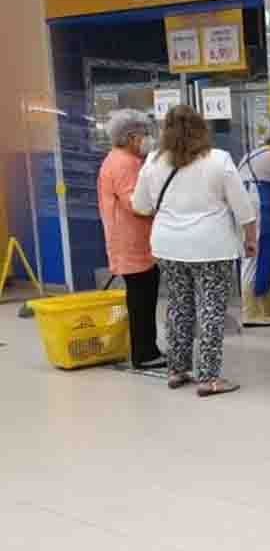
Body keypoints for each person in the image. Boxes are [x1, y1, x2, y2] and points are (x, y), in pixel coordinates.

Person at [133, 104, 256, 397]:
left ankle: (177, 369)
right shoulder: (218, 159)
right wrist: (251, 238)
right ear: (202, 129)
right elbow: (243, 207)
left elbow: (140, 206)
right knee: (210, 309)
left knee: (178, 306)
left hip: (168, 245)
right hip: (211, 246)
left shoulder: (152, 161)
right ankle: (209, 378)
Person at [97, 109, 164, 369]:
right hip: (131, 241)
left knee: (143, 295)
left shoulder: (117, 159)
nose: (147, 139)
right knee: (141, 298)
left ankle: (148, 349)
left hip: (131, 240)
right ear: (131, 136)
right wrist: (161, 207)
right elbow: (136, 204)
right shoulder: (125, 163)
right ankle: (144, 353)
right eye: (144, 134)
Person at [237, 139, 270, 327]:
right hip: (257, 202)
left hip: (253, 201)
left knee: (261, 257)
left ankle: (265, 307)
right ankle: (250, 312)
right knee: (254, 258)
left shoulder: (255, 154)